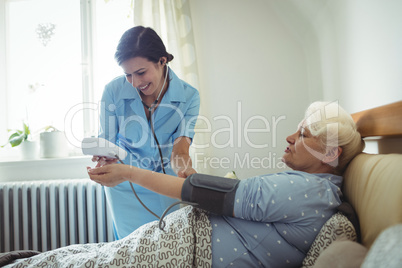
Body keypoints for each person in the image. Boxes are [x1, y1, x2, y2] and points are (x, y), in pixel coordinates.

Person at [4, 101, 365, 268]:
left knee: (81, 263)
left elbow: (211, 195)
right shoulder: (310, 189)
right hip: (178, 237)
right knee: (75, 256)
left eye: (302, 134)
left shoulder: (309, 192)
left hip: (184, 250)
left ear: (329, 153)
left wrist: (128, 173)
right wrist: (189, 174)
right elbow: (220, 195)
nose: (289, 137)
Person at [94, 26, 200, 239]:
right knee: (129, 251)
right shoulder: (112, 92)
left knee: (168, 248)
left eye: (141, 72)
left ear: (162, 61)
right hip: (125, 186)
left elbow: (180, 151)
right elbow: (106, 142)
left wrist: (190, 176)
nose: (135, 82)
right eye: (127, 75)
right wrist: (103, 160)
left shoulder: (189, 96)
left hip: (165, 184)